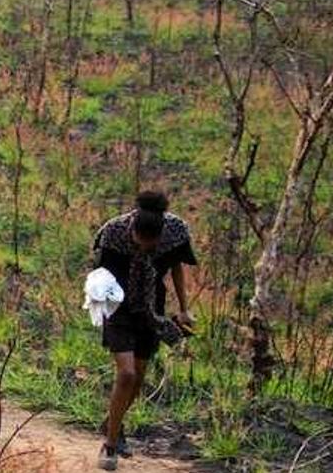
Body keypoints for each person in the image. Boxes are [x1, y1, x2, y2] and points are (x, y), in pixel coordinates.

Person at [91, 190, 197, 470]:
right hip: (118, 309)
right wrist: (97, 301)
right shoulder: (113, 232)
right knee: (126, 374)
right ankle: (110, 446)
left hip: (151, 311)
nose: (147, 248)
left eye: (153, 244)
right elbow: (99, 274)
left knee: (137, 380)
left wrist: (184, 309)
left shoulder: (175, 232)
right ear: (133, 229)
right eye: (142, 242)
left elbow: (175, 268)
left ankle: (113, 423)